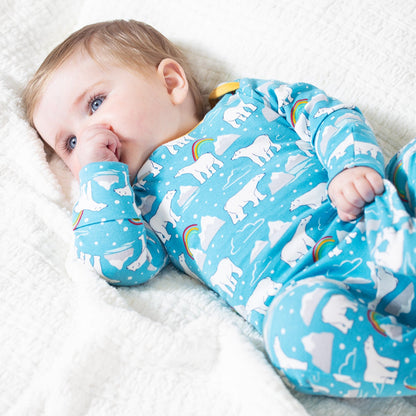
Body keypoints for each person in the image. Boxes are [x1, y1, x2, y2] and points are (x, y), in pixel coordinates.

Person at [22, 19, 416, 398]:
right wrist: (100, 178)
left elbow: (322, 113)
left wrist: (351, 165)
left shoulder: (247, 101)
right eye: (70, 144)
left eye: (95, 103)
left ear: (171, 82)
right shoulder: (134, 205)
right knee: (295, 337)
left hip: (378, 215)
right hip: (318, 295)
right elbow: (115, 261)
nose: (89, 135)